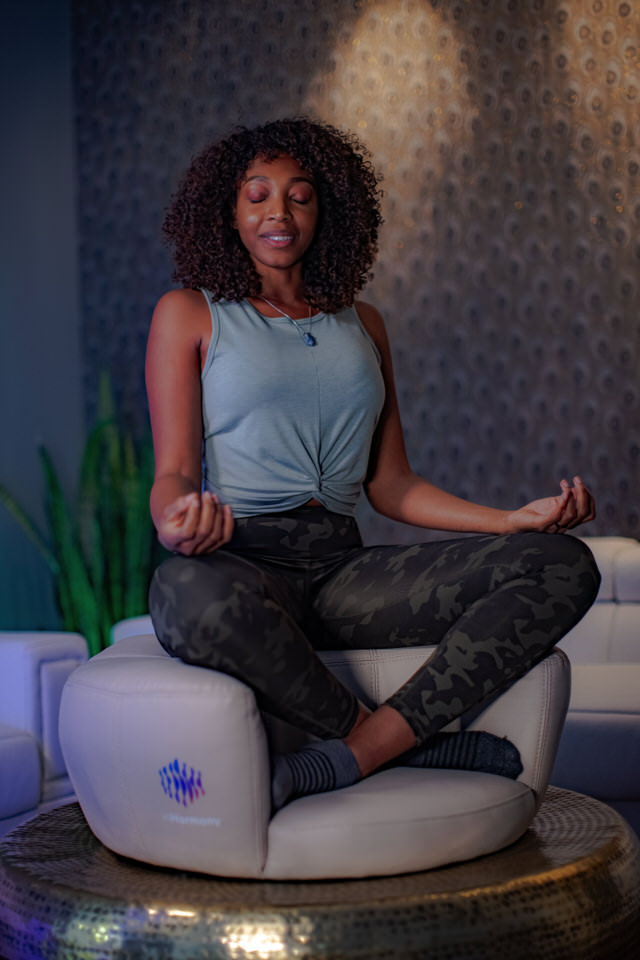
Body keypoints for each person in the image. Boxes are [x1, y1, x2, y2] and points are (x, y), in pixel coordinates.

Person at [146, 117, 600, 811]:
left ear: (326, 210)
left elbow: (392, 484)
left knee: (563, 564)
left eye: (300, 195)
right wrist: (176, 524)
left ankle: (361, 752)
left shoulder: (364, 322)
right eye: (258, 194)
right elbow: (175, 470)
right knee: (183, 593)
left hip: (343, 571)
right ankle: (391, 742)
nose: (279, 212)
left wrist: (511, 521)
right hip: (243, 559)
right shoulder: (189, 313)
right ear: (227, 211)